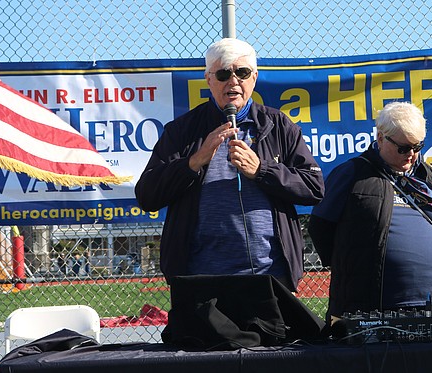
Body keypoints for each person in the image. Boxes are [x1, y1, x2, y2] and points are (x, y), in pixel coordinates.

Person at [135, 38, 324, 292]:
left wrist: (262, 170)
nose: (233, 82)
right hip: (202, 278)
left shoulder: (278, 125)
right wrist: (194, 162)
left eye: (242, 72)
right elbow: (148, 195)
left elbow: (314, 188)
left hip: (271, 276)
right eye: (223, 73)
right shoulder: (182, 131)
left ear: (254, 78)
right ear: (209, 80)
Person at [309, 101, 432, 323]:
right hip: (374, 307)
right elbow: (320, 227)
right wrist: (351, 267)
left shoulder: (429, 178)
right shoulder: (353, 174)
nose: (412, 155)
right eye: (403, 148)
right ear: (380, 138)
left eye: (418, 146)